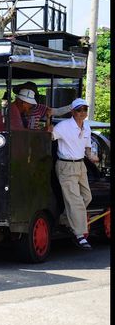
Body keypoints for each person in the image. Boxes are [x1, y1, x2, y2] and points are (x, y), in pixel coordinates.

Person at [50, 98, 99, 250]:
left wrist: (92, 157)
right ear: (72, 111)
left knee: (87, 197)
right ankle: (79, 235)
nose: (82, 112)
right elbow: (49, 136)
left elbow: (87, 148)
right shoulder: (63, 126)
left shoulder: (87, 127)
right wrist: (48, 126)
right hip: (66, 165)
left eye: (84, 109)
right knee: (76, 201)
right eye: (79, 109)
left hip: (80, 165)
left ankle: (65, 219)